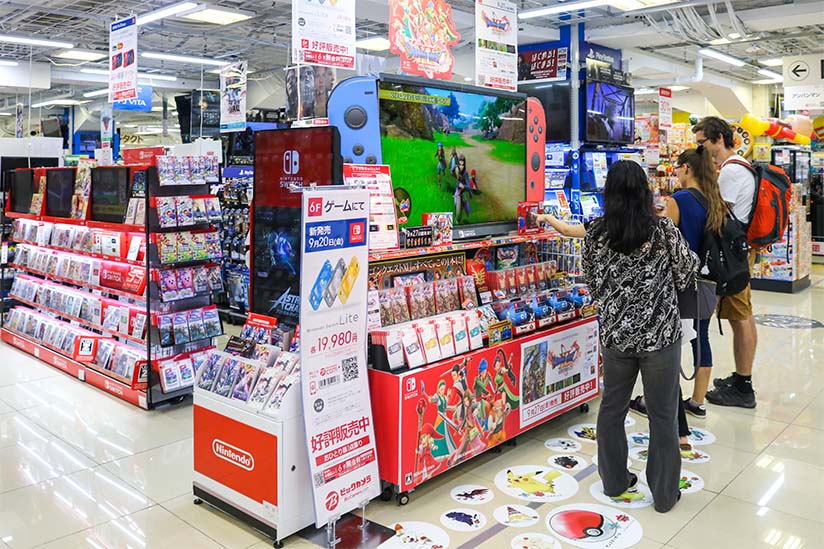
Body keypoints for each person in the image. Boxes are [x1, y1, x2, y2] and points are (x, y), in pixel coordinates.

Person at [583, 160, 698, 514]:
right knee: (663, 415)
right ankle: (664, 495)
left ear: (609, 193)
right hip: (661, 337)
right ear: (644, 193)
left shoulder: (595, 233)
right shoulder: (663, 231)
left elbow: (592, 284)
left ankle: (615, 481)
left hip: (616, 337)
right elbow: (686, 273)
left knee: (612, 409)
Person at [693, 117, 758, 409]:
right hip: (737, 251)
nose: (699, 149)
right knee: (741, 315)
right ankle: (741, 378)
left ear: (718, 138)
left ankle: (744, 387)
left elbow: (718, 214)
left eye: (701, 143)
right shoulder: (738, 166)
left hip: (730, 255)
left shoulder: (730, 172)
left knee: (740, 316)